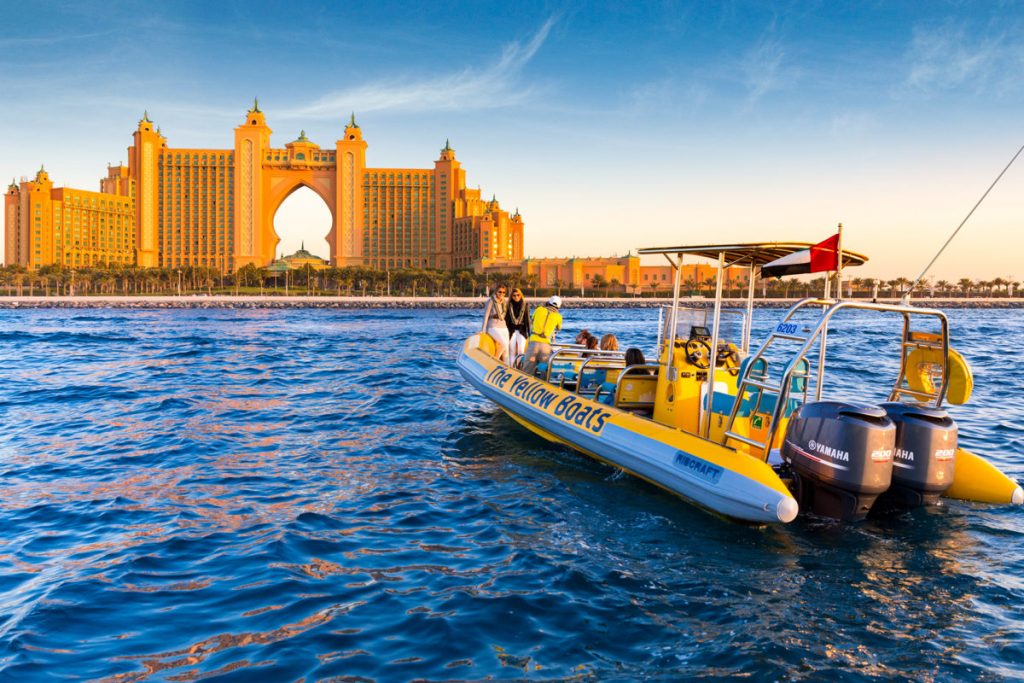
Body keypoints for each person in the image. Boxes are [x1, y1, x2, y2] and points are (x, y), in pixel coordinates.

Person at [522, 295, 563, 375]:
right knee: (544, 371)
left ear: (548, 303)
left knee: (527, 370)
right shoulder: (558, 316)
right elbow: (559, 328)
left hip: (533, 343)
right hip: (546, 346)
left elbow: (532, 320)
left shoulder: (539, 310)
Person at [481, 284, 510, 363]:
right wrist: (483, 330)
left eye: (504, 292)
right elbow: (486, 316)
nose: (501, 294)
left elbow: (505, 316)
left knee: (506, 348)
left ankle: (507, 367)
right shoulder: (490, 301)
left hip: (503, 327)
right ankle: (494, 361)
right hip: (493, 326)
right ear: (496, 292)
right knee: (503, 344)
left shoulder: (504, 302)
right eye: (499, 292)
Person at [505, 287, 530, 364]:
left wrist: (529, 333)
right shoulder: (509, 305)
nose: (516, 297)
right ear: (511, 296)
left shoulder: (525, 305)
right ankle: (512, 367)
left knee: (521, 351)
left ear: (521, 295)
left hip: (521, 330)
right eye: (514, 295)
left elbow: (527, 320)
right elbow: (506, 320)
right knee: (511, 351)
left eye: (518, 295)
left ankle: (520, 367)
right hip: (511, 330)